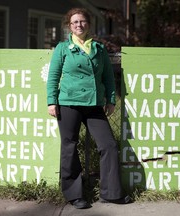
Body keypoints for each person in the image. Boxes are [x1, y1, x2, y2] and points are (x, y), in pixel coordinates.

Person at [47, 8, 131, 209]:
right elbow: (53, 76)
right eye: (75, 22)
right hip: (69, 103)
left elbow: (108, 77)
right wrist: (52, 101)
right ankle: (74, 195)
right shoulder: (62, 48)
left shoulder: (99, 49)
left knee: (108, 145)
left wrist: (110, 99)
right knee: (69, 146)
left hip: (94, 104)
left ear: (88, 24)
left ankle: (111, 193)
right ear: (70, 26)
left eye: (82, 21)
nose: (79, 25)